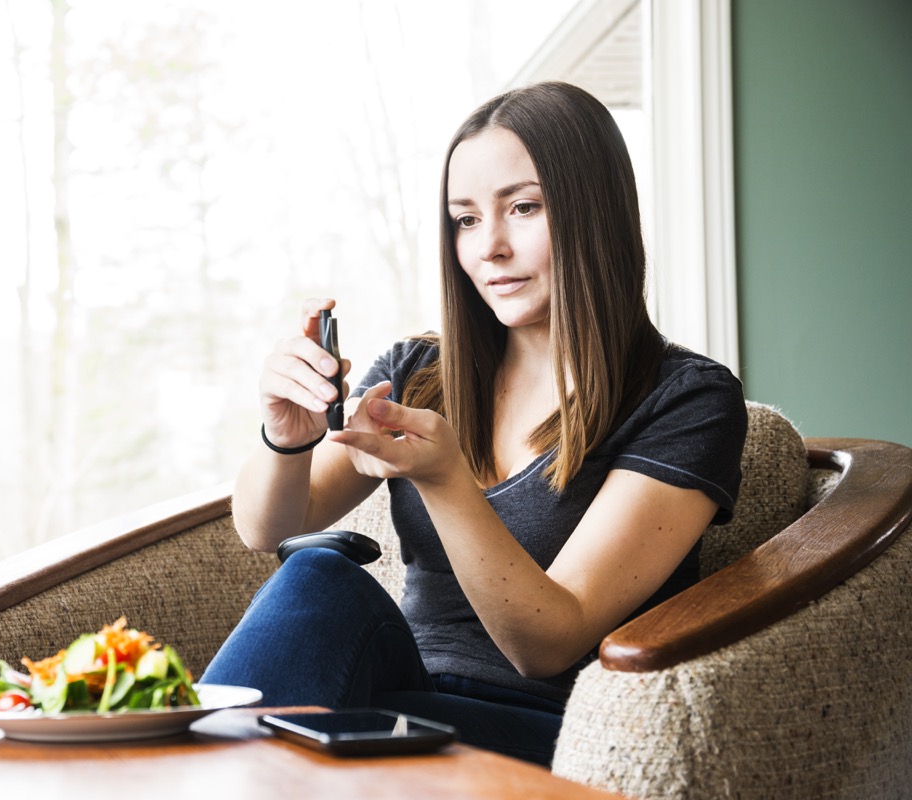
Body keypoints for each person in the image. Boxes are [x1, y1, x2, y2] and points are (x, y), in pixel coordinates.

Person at [202, 81, 747, 766]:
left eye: (522, 208)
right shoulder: (420, 371)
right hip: (403, 697)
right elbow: (269, 528)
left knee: (307, 738)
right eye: (464, 219)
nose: (488, 247)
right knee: (316, 575)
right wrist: (287, 435)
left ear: (595, 213)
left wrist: (445, 481)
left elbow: (549, 643)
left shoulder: (685, 400)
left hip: (544, 730)